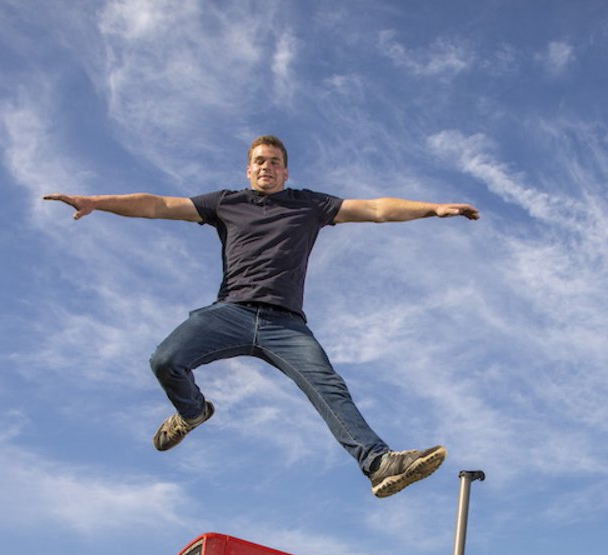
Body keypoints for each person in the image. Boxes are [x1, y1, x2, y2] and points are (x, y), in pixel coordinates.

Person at [44, 135, 479, 498]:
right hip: (230, 311)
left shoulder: (310, 205)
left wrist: (433, 208)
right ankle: (193, 412)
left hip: (285, 323)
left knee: (328, 386)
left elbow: (375, 209)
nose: (266, 167)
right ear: (248, 170)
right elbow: (159, 204)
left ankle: (379, 462)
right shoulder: (226, 203)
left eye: (274, 162)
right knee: (165, 360)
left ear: (286, 172)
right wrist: (97, 201)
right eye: (259, 162)